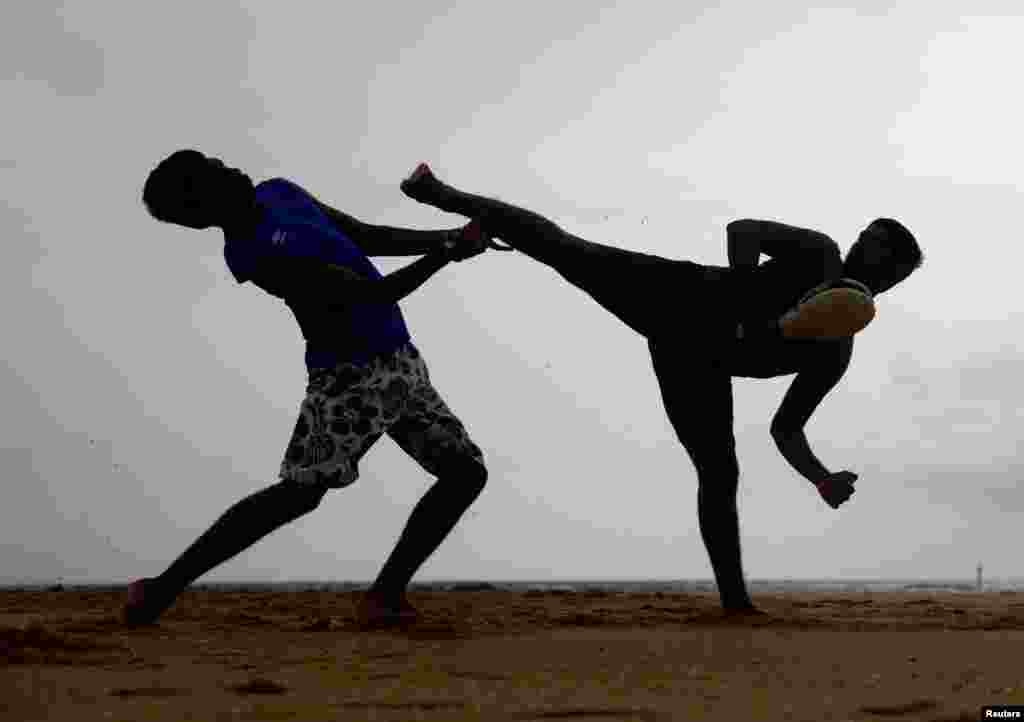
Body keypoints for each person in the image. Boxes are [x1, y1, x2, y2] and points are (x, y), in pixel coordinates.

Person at [400, 163, 924, 614]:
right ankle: (441, 195)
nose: (860, 248)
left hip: (695, 364)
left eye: (876, 251)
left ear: (894, 276)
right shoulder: (818, 255)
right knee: (565, 250)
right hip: (676, 294)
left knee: (720, 472)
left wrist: (821, 479)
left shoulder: (834, 351)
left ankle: (735, 603)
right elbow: (743, 230)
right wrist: (743, 298)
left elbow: (786, 428)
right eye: (864, 238)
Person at [126, 150, 496, 628]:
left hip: (398, 361)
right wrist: (448, 252)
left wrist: (451, 237)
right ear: (202, 211)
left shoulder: (280, 191)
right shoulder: (255, 253)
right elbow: (375, 294)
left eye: (218, 160)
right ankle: (160, 590)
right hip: (347, 379)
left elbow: (367, 237)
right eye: (213, 173)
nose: (229, 165)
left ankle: (383, 596)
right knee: (298, 494)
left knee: (464, 473)